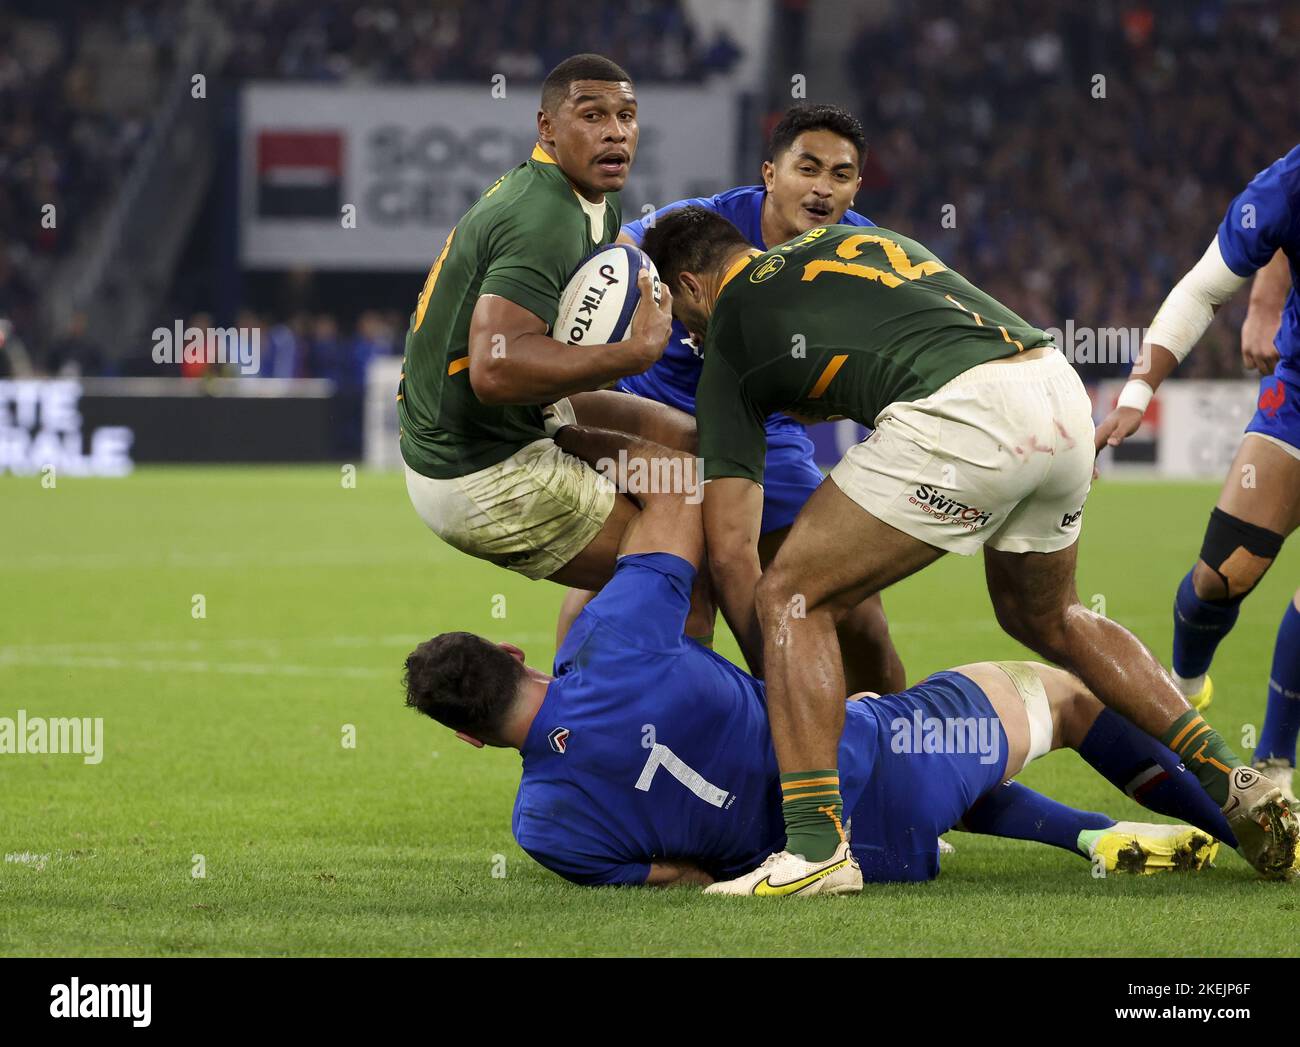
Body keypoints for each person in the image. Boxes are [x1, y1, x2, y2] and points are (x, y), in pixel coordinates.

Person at [638, 206, 1297, 893]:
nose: (684, 332)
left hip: (965, 416)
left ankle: (814, 849)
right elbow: (869, 348)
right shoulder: (841, 242)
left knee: (790, 597)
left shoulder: (730, 334)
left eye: (674, 310)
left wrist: (776, 677)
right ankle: (1232, 774)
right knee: (1053, 616)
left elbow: (733, 554)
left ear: (689, 283)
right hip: (1054, 387)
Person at [402, 447, 1235, 892]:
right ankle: (1253, 828)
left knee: (933, 773)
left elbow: (676, 876)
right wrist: (570, 430)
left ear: (470, 739)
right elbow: (674, 495)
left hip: (869, 858)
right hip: (878, 762)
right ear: (512, 652)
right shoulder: (614, 640)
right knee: (1070, 696)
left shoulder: (541, 830)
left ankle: (1093, 835)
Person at [560, 103, 904, 691]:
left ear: (856, 187)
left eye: (840, 175)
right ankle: (587, 735)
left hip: (765, 431)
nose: (822, 189)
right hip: (655, 419)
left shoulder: (862, 254)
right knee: (637, 595)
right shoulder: (702, 225)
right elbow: (613, 258)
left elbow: (888, 359)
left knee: (857, 615)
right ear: (770, 173)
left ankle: (897, 750)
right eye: (808, 168)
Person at [396, 52, 682, 593]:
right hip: (475, 467)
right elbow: (494, 371)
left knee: (696, 446)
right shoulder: (542, 216)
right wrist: (633, 354)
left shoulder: (593, 201)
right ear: (546, 127)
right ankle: (607, 676)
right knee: (680, 571)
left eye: (626, 115)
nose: (615, 133)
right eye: (592, 116)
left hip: (513, 422)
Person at [1096, 144, 1300, 804]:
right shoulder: (1286, 187)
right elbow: (1202, 290)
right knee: (1221, 575)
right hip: (1296, 392)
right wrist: (1135, 394)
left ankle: (1273, 772)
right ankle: (1184, 688)